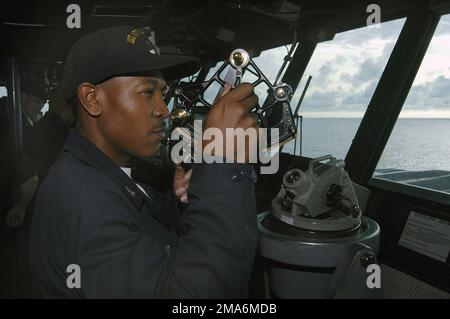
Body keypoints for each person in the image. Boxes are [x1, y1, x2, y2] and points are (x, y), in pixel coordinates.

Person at [29, 25, 259, 298]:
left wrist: (181, 192)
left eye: (163, 93)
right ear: (92, 100)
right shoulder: (82, 202)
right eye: (147, 92)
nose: (163, 110)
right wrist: (223, 166)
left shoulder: (103, 173)